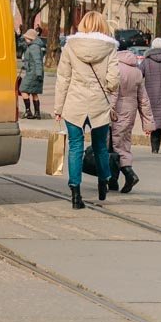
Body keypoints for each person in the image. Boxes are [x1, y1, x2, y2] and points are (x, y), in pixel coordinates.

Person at [53, 11, 120, 209]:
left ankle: (75, 193)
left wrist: (58, 107)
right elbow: (114, 80)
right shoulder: (109, 48)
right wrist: (107, 88)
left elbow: (63, 79)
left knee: (75, 147)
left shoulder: (70, 47)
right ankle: (103, 181)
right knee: (100, 147)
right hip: (99, 105)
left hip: (74, 104)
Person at [111, 49, 154, 193]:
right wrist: (147, 123)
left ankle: (129, 174)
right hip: (131, 111)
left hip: (117, 110)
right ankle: (113, 181)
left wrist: (106, 111)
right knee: (124, 142)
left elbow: (113, 93)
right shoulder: (136, 71)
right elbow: (144, 99)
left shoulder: (116, 68)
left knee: (115, 146)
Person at [19, 28, 45, 119]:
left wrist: (38, 74)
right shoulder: (33, 46)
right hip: (34, 72)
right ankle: (37, 113)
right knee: (34, 92)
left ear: (30, 38)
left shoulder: (34, 47)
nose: (25, 40)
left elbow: (37, 61)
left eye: (26, 38)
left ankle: (28, 111)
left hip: (33, 73)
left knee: (23, 89)